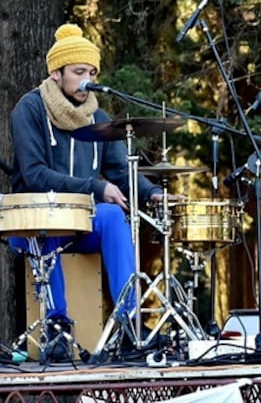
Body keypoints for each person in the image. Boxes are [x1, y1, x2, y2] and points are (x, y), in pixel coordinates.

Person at [7, 23, 165, 361]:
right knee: (47, 222)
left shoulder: (98, 117)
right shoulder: (30, 109)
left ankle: (129, 325)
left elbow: (120, 173)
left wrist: (152, 193)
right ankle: (56, 328)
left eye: (92, 72)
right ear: (56, 72)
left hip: (81, 224)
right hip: (32, 223)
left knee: (112, 215)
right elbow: (34, 176)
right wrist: (95, 186)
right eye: (79, 71)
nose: (87, 79)